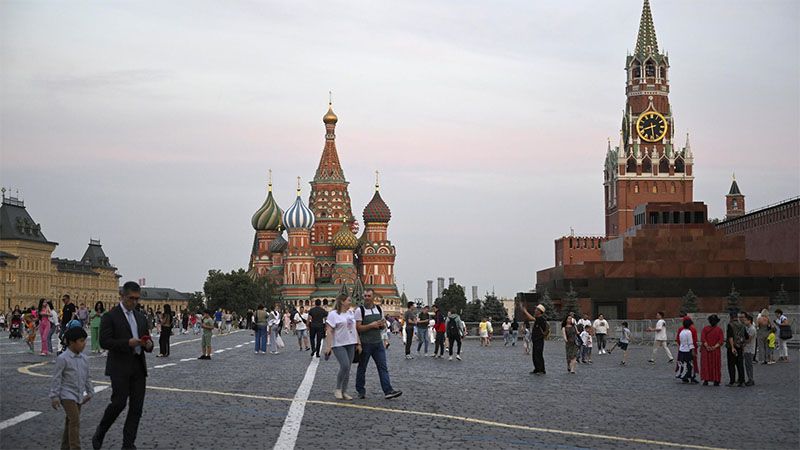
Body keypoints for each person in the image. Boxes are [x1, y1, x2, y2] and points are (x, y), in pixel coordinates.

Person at [93, 281, 154, 450]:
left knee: (137, 408)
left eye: (137, 299)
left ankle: (128, 444)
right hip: (119, 366)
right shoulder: (110, 316)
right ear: (122, 296)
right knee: (118, 403)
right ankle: (101, 431)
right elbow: (104, 342)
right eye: (131, 298)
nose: (134, 302)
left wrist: (148, 345)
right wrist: (127, 343)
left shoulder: (141, 317)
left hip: (138, 366)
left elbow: (147, 338)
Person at [50, 327, 93, 450]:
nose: (84, 344)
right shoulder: (63, 359)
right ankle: (75, 447)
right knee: (75, 420)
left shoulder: (85, 359)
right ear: (71, 342)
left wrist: (90, 392)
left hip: (78, 394)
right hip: (66, 394)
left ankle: (65, 447)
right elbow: (56, 378)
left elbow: (87, 377)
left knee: (70, 422)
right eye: (81, 341)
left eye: (85, 340)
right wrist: (54, 396)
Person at [354, 289, 402, 400]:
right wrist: (371, 325)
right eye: (365, 295)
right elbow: (358, 328)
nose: (366, 297)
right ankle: (360, 390)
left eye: (369, 296)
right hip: (365, 343)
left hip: (378, 343)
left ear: (373, 297)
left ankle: (388, 390)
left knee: (383, 367)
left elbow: (383, 326)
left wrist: (382, 325)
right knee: (362, 368)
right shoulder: (359, 310)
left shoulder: (379, 309)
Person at [324, 294, 361, 400]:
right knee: (344, 365)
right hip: (339, 344)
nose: (350, 302)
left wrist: (358, 343)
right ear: (342, 302)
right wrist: (328, 346)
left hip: (351, 343)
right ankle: (338, 389)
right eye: (349, 300)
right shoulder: (333, 314)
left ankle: (344, 391)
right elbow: (329, 331)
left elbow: (354, 329)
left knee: (348, 368)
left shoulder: (350, 313)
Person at [519, 303, 549, 375]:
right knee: (535, 355)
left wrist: (525, 311)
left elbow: (531, 318)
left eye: (536, 309)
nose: (535, 311)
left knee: (538, 355)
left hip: (539, 339)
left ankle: (541, 370)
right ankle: (536, 369)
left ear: (540, 311)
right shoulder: (538, 319)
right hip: (535, 340)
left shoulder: (541, 319)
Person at [699, 315, 723, 386]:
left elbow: (703, 338)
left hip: (706, 350)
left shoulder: (705, 329)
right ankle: (716, 379)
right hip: (715, 350)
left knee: (706, 365)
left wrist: (707, 346)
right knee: (715, 365)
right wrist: (714, 347)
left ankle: (706, 379)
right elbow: (721, 340)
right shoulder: (719, 330)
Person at [726, 310, 746, 387]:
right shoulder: (742, 325)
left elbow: (730, 336)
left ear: (731, 317)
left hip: (732, 347)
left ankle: (732, 381)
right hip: (740, 346)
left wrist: (732, 347)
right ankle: (742, 380)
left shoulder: (730, 325)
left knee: (731, 365)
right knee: (740, 364)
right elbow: (745, 336)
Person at [677, 318, 698, 384]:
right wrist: (693, 350)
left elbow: (679, 340)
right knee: (690, 365)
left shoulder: (681, 332)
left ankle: (683, 377)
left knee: (683, 364)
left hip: (681, 350)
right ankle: (691, 377)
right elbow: (690, 342)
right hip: (687, 350)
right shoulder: (689, 332)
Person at [742, 312, 756, 386]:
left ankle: (751, 379)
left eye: (745, 320)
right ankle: (749, 379)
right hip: (747, 349)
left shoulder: (752, 329)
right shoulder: (747, 328)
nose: (744, 321)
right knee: (747, 365)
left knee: (749, 365)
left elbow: (749, 340)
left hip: (750, 349)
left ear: (749, 320)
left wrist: (742, 342)